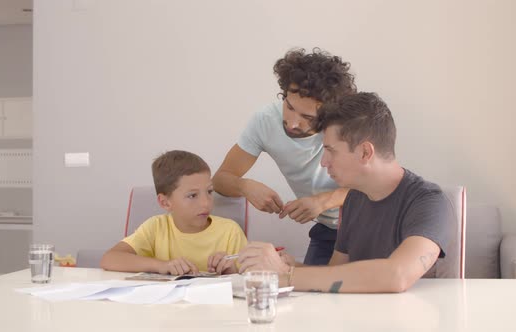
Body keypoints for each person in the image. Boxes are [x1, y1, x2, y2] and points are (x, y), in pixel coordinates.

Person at [237, 92, 453, 293]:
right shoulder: (354, 198)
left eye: (331, 151)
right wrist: (287, 267)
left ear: (365, 152)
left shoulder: (429, 201)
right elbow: (334, 274)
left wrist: (287, 277)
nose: (324, 162)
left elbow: (397, 275)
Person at [212, 48, 357, 265]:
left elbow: (378, 187)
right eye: (289, 106)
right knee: (308, 293)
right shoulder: (265, 120)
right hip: (327, 232)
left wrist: (323, 201)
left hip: (369, 227)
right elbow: (220, 180)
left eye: (307, 117)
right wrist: (246, 186)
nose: (292, 122)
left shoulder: (350, 125)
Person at [101, 150, 247, 275]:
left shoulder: (230, 231)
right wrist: (162, 265)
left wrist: (232, 270)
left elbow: (252, 280)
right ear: (165, 202)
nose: (206, 203)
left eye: (209, 192)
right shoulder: (156, 227)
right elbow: (110, 258)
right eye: (192, 195)